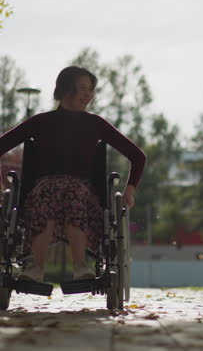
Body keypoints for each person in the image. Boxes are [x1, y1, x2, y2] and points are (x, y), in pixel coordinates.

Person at [0, 66, 146, 282]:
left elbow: (138, 156)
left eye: (91, 89)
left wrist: (130, 189)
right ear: (65, 89)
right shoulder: (40, 121)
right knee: (51, 189)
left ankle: (78, 267)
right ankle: (37, 269)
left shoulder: (96, 124)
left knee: (68, 191)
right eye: (83, 88)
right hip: (43, 192)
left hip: (83, 197)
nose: (89, 94)